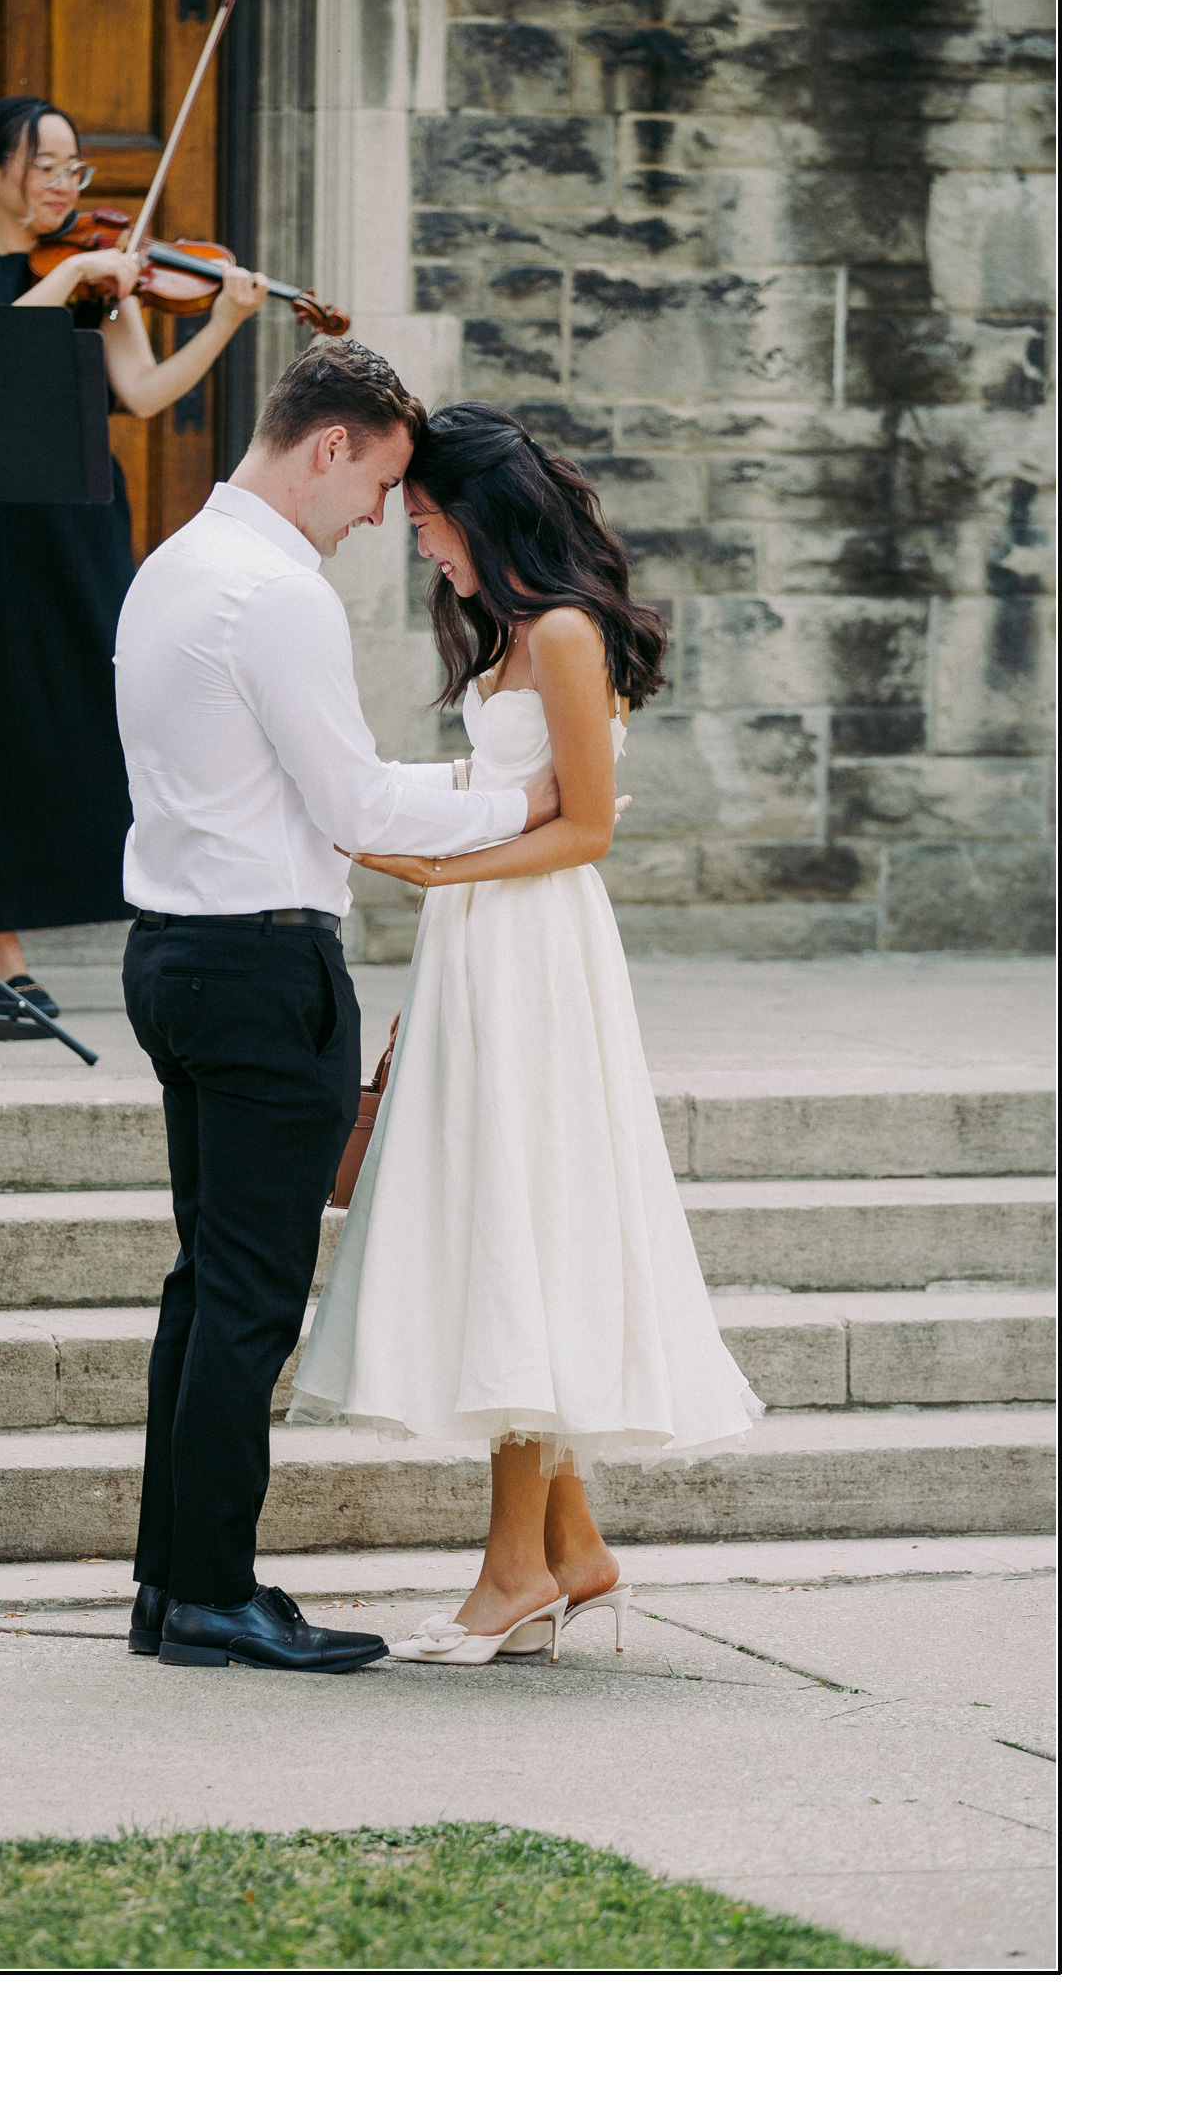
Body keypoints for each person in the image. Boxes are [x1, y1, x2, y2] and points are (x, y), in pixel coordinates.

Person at [290, 403, 767, 1667]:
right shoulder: (513, 633)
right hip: (482, 944)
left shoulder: (561, 632)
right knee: (505, 1217)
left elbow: (588, 829)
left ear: (481, 514)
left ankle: (513, 1572)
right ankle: (573, 1550)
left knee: (520, 1226)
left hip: (533, 946)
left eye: (428, 520)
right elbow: (500, 794)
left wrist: (438, 874)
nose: (418, 542)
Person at [114, 340, 565, 1673]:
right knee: (250, 1299)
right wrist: (518, 803)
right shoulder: (277, 592)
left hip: (173, 955)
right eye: (376, 484)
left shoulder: (174, 566)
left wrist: (462, 788)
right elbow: (355, 805)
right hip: (262, 971)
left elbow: (309, 778)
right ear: (329, 447)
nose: (380, 516)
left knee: (205, 1285)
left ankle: (170, 1585)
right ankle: (212, 1592)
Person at [0, 96, 267, 1018]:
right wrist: (77, 271)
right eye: (45, 165)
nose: (64, 184)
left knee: (122, 707)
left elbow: (142, 393)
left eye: (74, 167)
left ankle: (154, 915)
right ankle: (2, 951)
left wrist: (224, 323)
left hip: (81, 514)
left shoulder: (101, 278)